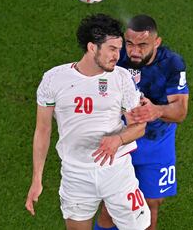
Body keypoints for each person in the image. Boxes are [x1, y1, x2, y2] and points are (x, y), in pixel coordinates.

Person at [25, 13, 151, 230]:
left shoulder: (121, 78)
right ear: (92, 48)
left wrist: (118, 140)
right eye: (112, 49)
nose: (117, 55)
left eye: (119, 49)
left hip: (117, 171)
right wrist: (37, 178)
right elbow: (43, 130)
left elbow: (139, 126)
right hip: (76, 174)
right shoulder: (53, 79)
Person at [95, 15, 189, 230]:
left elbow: (180, 111)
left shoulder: (171, 64)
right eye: (130, 44)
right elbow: (97, 92)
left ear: (157, 42)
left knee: (148, 208)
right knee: (111, 206)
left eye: (142, 45)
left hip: (156, 144)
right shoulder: (115, 57)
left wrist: (156, 110)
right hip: (120, 139)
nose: (134, 51)